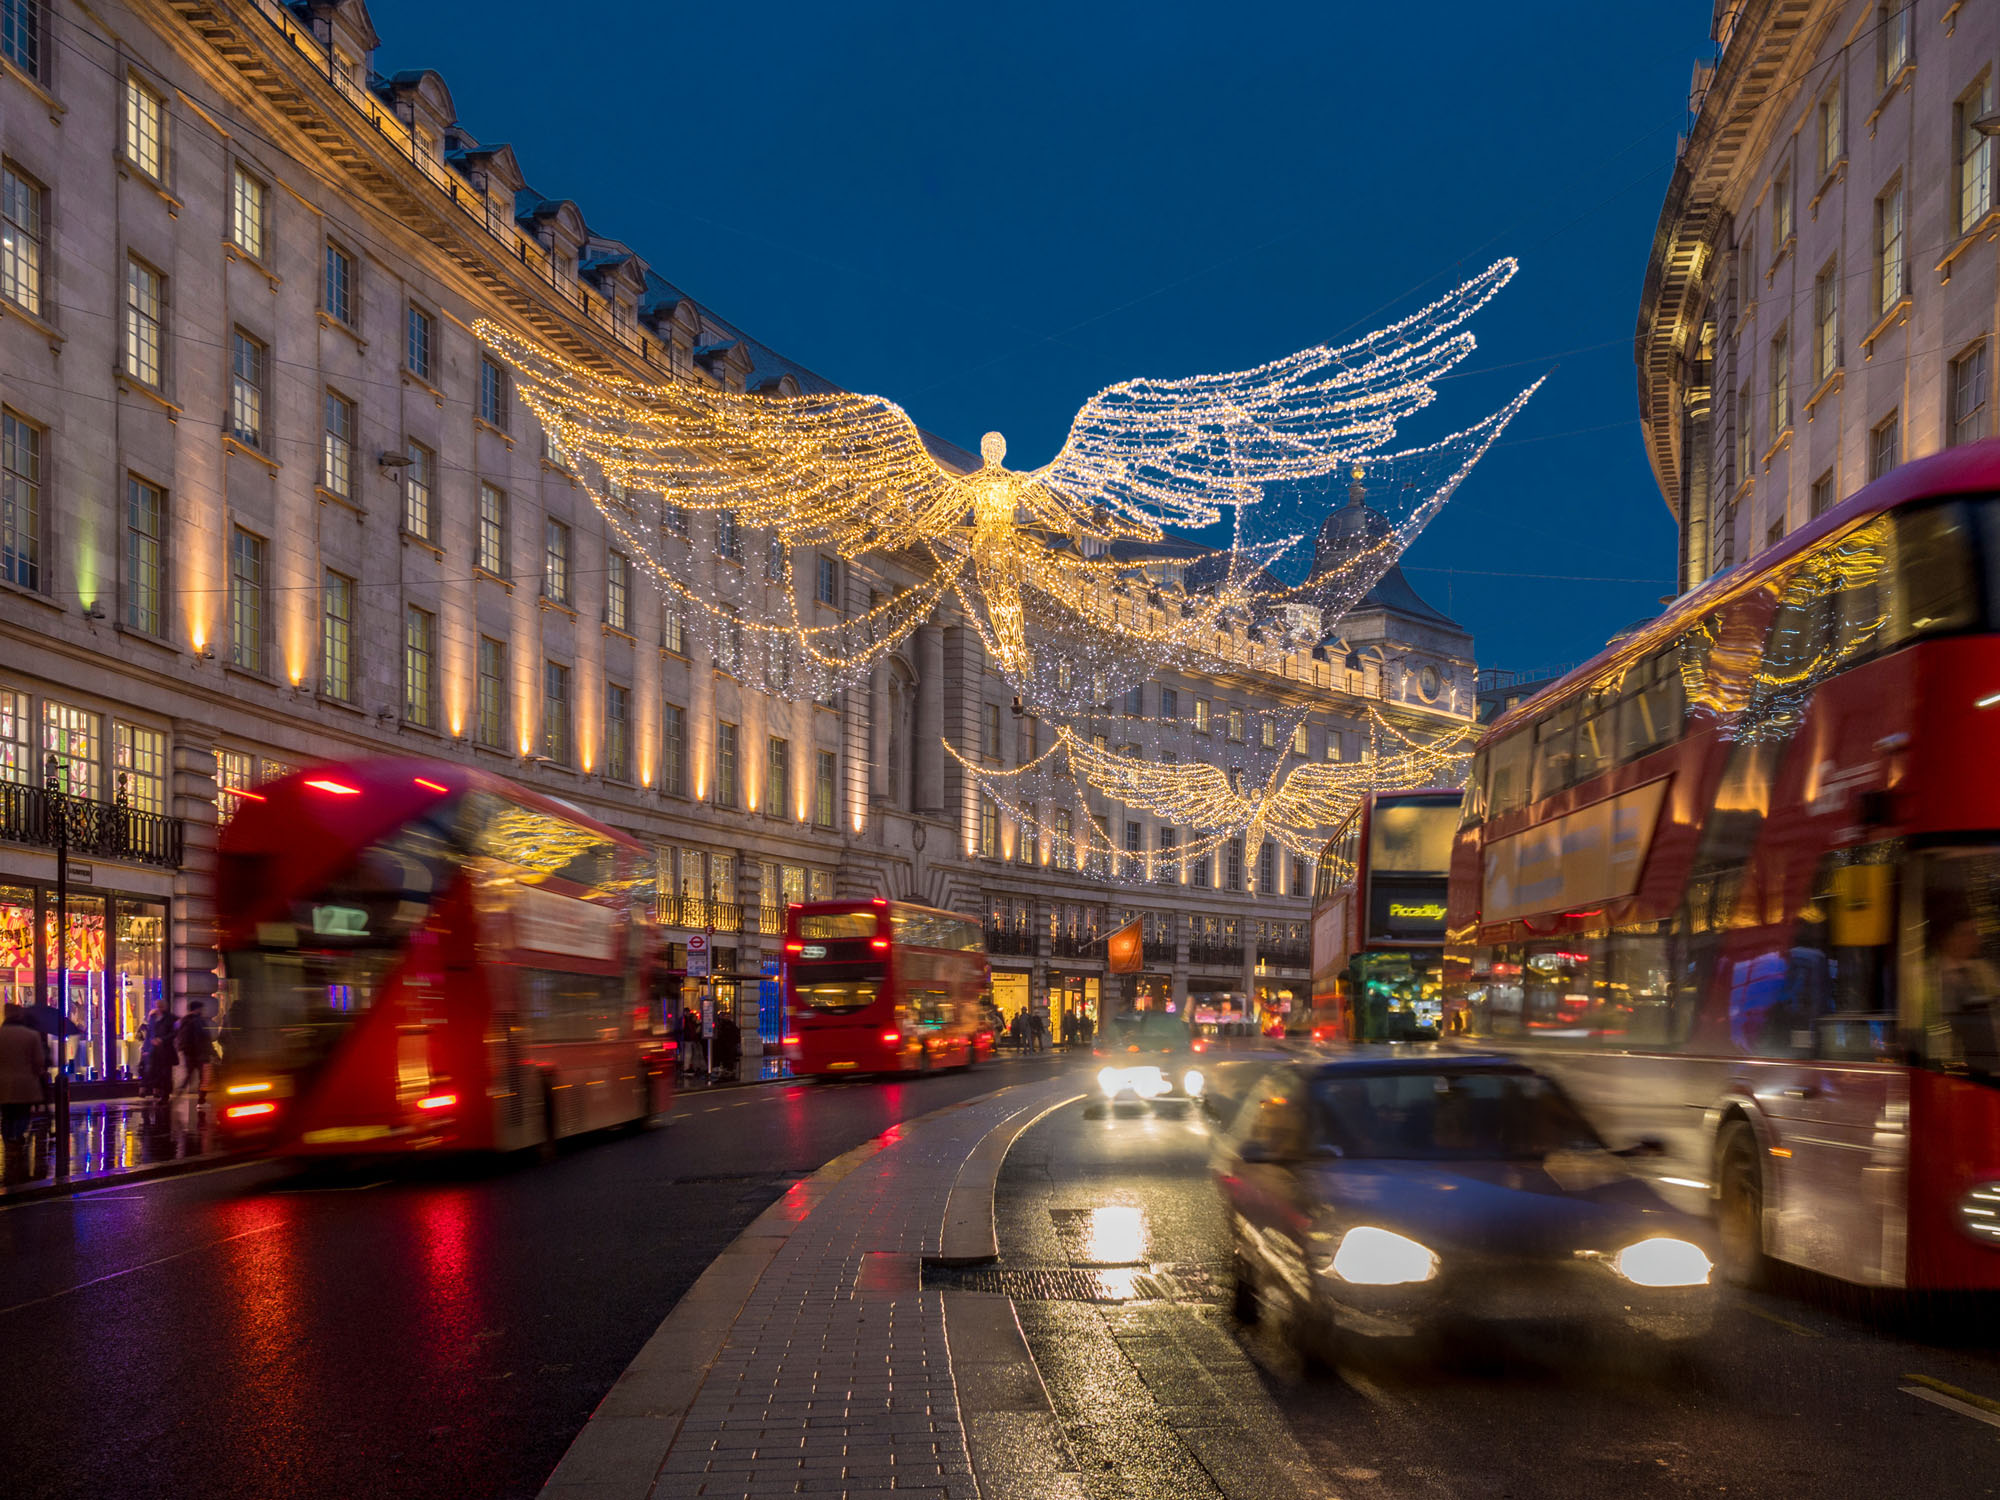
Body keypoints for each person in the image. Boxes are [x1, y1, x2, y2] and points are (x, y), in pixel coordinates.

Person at [0, 1003, 48, 1153]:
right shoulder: (31, 1035)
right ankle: (17, 1136)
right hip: (25, 1083)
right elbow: (39, 1061)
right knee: (23, 1113)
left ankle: (8, 1139)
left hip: (3, 1083)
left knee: (7, 1114)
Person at [174, 1000, 216, 1100]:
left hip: (189, 1053)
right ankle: (201, 1097)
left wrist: (183, 1050)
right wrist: (212, 1051)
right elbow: (205, 1038)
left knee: (190, 1074)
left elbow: (179, 1037)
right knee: (203, 1076)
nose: (203, 1010)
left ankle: (180, 1090)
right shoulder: (198, 1021)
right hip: (200, 1053)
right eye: (201, 1008)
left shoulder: (183, 1021)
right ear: (197, 1009)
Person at [141, 1005, 176, 1103]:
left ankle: (162, 1093)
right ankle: (153, 1089)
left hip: (165, 1052)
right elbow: (149, 1036)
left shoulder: (169, 1019)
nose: (158, 1009)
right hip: (154, 1051)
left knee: (163, 1073)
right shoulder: (153, 1020)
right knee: (153, 1070)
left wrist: (161, 1040)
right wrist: (145, 1049)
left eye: (160, 1007)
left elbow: (173, 1033)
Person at [712, 1008, 741, 1081]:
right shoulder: (721, 1024)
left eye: (729, 1016)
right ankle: (726, 1070)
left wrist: (737, 1042)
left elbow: (737, 1034)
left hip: (730, 1045)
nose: (727, 1017)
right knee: (725, 1058)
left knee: (730, 1058)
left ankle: (729, 1070)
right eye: (726, 1016)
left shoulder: (731, 1024)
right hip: (723, 1045)